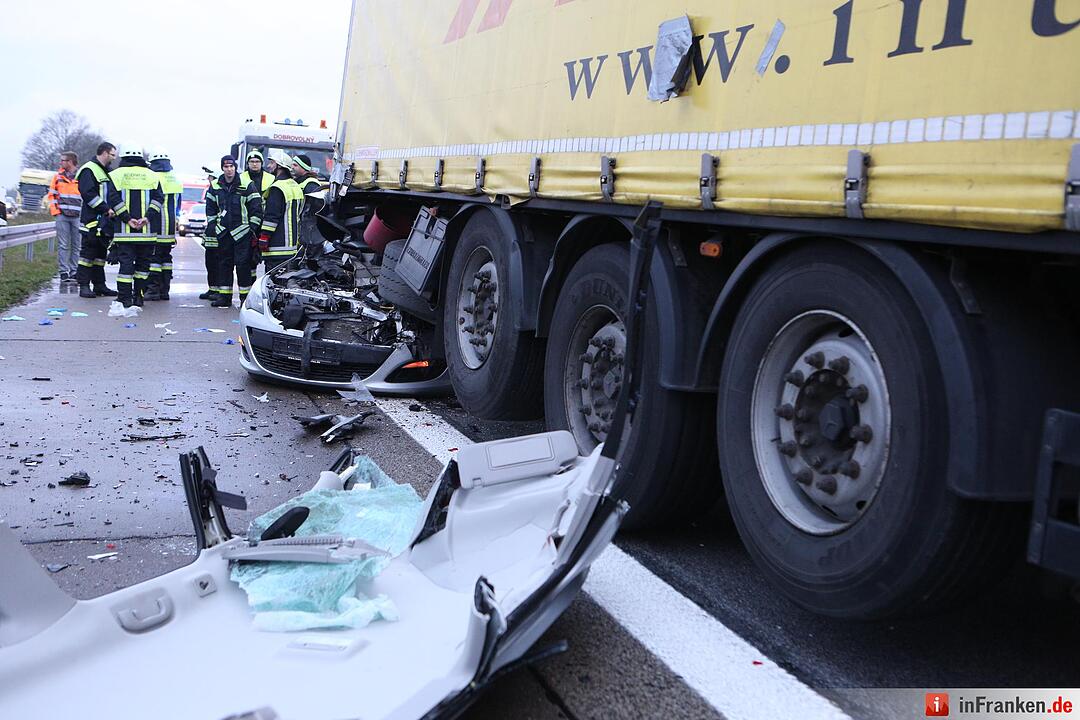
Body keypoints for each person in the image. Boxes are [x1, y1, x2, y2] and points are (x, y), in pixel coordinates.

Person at [108, 145, 162, 308]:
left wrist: (127, 218)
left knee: (126, 266)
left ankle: (124, 298)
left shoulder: (116, 175)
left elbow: (113, 199)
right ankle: (139, 297)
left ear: (123, 157)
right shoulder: (153, 175)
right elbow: (159, 199)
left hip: (125, 232)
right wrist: (147, 218)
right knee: (143, 266)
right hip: (147, 233)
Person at [204, 155, 262, 308]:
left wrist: (252, 229)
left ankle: (245, 298)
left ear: (235, 168)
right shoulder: (215, 185)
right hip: (223, 232)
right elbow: (210, 208)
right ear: (222, 168)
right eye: (226, 167)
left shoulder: (246, 184)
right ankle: (224, 297)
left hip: (243, 233)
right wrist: (213, 226)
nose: (229, 170)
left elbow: (256, 208)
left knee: (243, 266)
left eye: (231, 167)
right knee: (224, 265)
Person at [75, 142, 122, 298]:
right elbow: (88, 194)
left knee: (100, 255)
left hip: (104, 221)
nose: (114, 158)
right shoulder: (89, 169)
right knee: (87, 254)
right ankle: (83, 286)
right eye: (112, 155)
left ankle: (99, 285)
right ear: (104, 153)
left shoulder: (106, 170)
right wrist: (105, 208)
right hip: (92, 219)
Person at [145, 150, 182, 301]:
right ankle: (164, 290)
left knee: (154, 258)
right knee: (166, 258)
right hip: (170, 226)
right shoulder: (175, 178)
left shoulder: (152, 177)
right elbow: (178, 204)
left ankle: (152, 290)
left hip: (155, 224)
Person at [257, 150, 303, 271]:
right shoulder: (295, 186)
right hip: (292, 245)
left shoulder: (277, 188)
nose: (268, 166)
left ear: (279, 165)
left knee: (273, 283)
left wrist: (264, 237)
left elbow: (271, 216)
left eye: (272, 163)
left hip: (277, 245)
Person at [47, 151, 82, 283]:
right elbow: (52, 195)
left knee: (76, 245)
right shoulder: (58, 177)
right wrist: (56, 212)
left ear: (70, 162)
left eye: (63, 160)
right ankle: (63, 272)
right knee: (63, 245)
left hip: (78, 216)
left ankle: (74, 271)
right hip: (62, 215)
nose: (60, 162)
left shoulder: (81, 176)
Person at [292, 154, 325, 249]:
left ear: (304, 167)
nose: (292, 167)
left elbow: (317, 205)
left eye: (295, 165)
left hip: (307, 228)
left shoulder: (310, 184)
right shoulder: (299, 182)